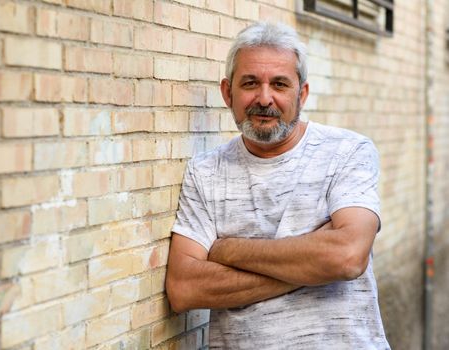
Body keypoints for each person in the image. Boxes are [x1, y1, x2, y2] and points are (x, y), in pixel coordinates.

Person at [165, 22, 390, 349]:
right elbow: (185, 288)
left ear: (303, 93)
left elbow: (346, 257)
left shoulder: (347, 152)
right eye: (250, 83)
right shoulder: (206, 171)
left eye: (280, 84)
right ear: (228, 92)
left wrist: (228, 250)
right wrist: (311, 262)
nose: (264, 98)